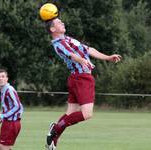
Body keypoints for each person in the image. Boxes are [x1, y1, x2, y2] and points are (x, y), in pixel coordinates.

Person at [44, 18, 122, 150]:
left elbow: (89, 49)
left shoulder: (68, 39)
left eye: (62, 21)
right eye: (58, 23)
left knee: (69, 114)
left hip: (77, 78)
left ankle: (53, 140)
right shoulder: (59, 43)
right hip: (82, 78)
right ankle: (56, 128)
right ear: (52, 29)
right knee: (87, 114)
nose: (62, 22)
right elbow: (72, 55)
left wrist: (108, 57)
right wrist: (81, 60)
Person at [0, 68, 24, 150]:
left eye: (3, 76)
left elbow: (18, 106)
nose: (1, 78)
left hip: (11, 123)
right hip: (8, 122)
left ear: (7, 79)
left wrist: (4, 115)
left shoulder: (9, 90)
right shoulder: (3, 90)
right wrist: (3, 117)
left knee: (2, 147)